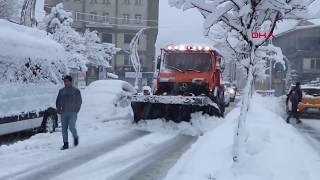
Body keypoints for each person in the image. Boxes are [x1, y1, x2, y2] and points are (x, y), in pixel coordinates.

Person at [56, 75, 82, 150]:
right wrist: (58, 109)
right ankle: (65, 144)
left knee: (71, 127)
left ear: (71, 82)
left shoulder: (76, 91)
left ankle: (75, 136)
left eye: (67, 81)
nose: (65, 83)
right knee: (64, 129)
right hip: (63, 112)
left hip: (73, 113)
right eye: (64, 81)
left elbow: (79, 101)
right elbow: (58, 101)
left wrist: (76, 109)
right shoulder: (61, 91)